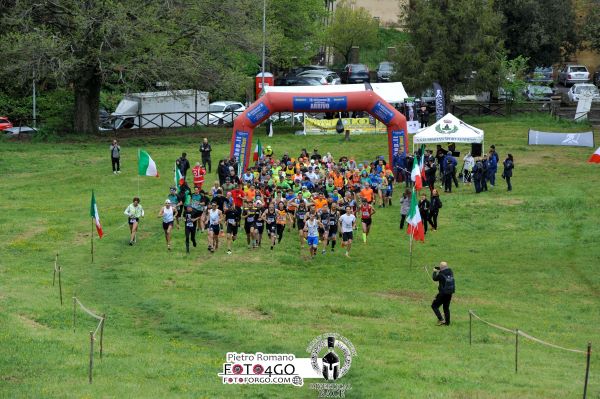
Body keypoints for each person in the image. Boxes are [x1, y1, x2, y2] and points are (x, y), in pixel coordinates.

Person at [431, 261, 455, 326]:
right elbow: (444, 269)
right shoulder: (450, 271)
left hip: (442, 293)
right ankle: (447, 323)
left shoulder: (441, 274)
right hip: (449, 293)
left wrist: (434, 271)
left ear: (441, 267)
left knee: (434, 306)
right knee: (446, 308)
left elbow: (434, 278)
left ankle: (441, 319)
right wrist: (440, 268)